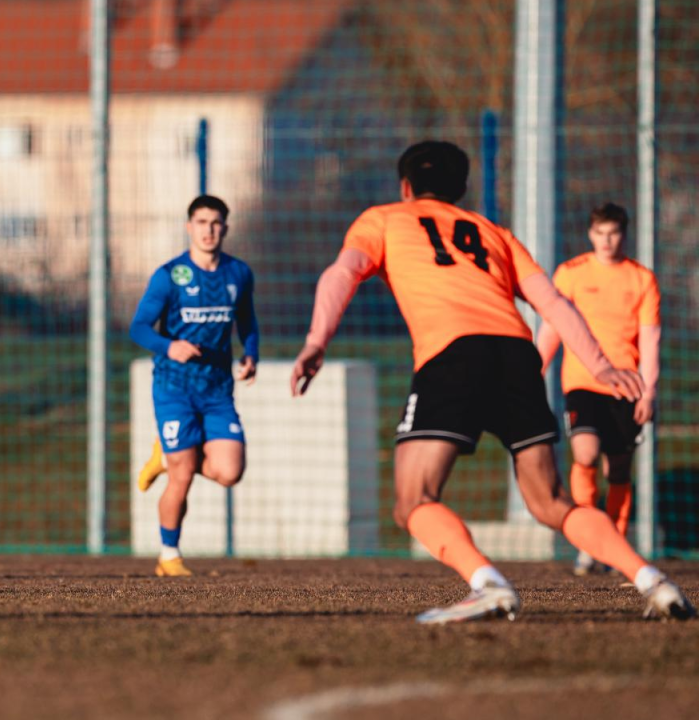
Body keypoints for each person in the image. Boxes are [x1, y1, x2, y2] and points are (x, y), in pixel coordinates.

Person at [290, 141, 693, 623]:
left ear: (405, 188)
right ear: (461, 190)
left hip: (453, 353)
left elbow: (342, 274)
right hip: (517, 356)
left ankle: (488, 583)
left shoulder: (382, 219)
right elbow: (555, 304)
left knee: (413, 500)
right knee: (551, 501)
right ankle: (653, 581)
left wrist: (317, 340)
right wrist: (601, 365)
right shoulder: (493, 232)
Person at [129, 195, 258, 577]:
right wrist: (171, 346)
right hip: (174, 387)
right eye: (202, 222)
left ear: (226, 228)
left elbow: (248, 321)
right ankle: (169, 555)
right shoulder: (170, 275)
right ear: (189, 227)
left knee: (229, 472)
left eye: (216, 223)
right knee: (182, 474)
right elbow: (138, 327)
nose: (209, 230)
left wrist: (251, 354)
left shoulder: (238, 273)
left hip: (217, 390)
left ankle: (166, 455)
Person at [536, 203, 660, 576]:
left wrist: (649, 391)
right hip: (582, 384)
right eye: (600, 233)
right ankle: (588, 545)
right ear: (591, 235)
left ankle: (614, 546)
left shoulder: (642, 279)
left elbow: (651, 340)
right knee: (585, 455)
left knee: (618, 469)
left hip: (627, 386)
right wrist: (531, 373)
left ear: (624, 234)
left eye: (614, 233)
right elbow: (552, 330)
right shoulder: (570, 273)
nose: (607, 241)